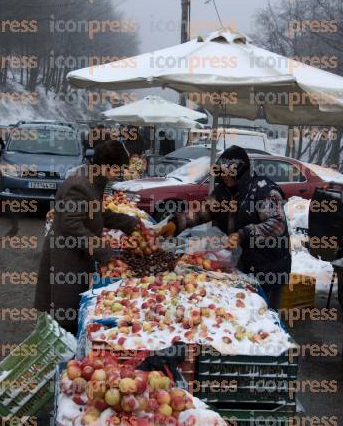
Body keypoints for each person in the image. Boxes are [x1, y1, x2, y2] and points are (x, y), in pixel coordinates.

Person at [165, 145, 291, 309]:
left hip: (268, 268)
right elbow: (203, 211)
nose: (223, 177)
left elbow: (277, 224)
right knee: (241, 309)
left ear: (240, 171)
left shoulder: (264, 191)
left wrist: (243, 235)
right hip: (241, 265)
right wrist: (175, 224)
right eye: (221, 173)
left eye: (227, 173)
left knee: (263, 313)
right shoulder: (224, 191)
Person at [34, 140, 139, 332]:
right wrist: (104, 252)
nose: (119, 174)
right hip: (67, 258)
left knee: (68, 309)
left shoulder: (92, 180)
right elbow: (72, 225)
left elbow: (96, 213)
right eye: (117, 169)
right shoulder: (80, 186)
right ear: (106, 166)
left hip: (77, 255)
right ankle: (61, 348)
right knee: (64, 313)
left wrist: (129, 223)